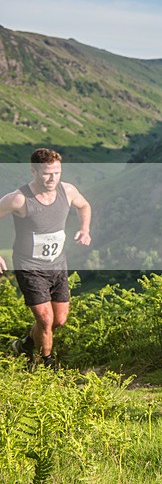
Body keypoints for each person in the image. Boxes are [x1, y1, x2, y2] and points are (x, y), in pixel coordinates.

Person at [0, 148, 92, 369]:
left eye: (57, 173)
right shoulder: (19, 199)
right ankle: (46, 365)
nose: (52, 179)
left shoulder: (67, 191)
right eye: (47, 174)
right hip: (29, 266)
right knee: (45, 319)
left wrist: (85, 229)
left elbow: (84, 205)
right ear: (34, 171)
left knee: (59, 320)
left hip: (58, 265)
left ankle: (25, 344)